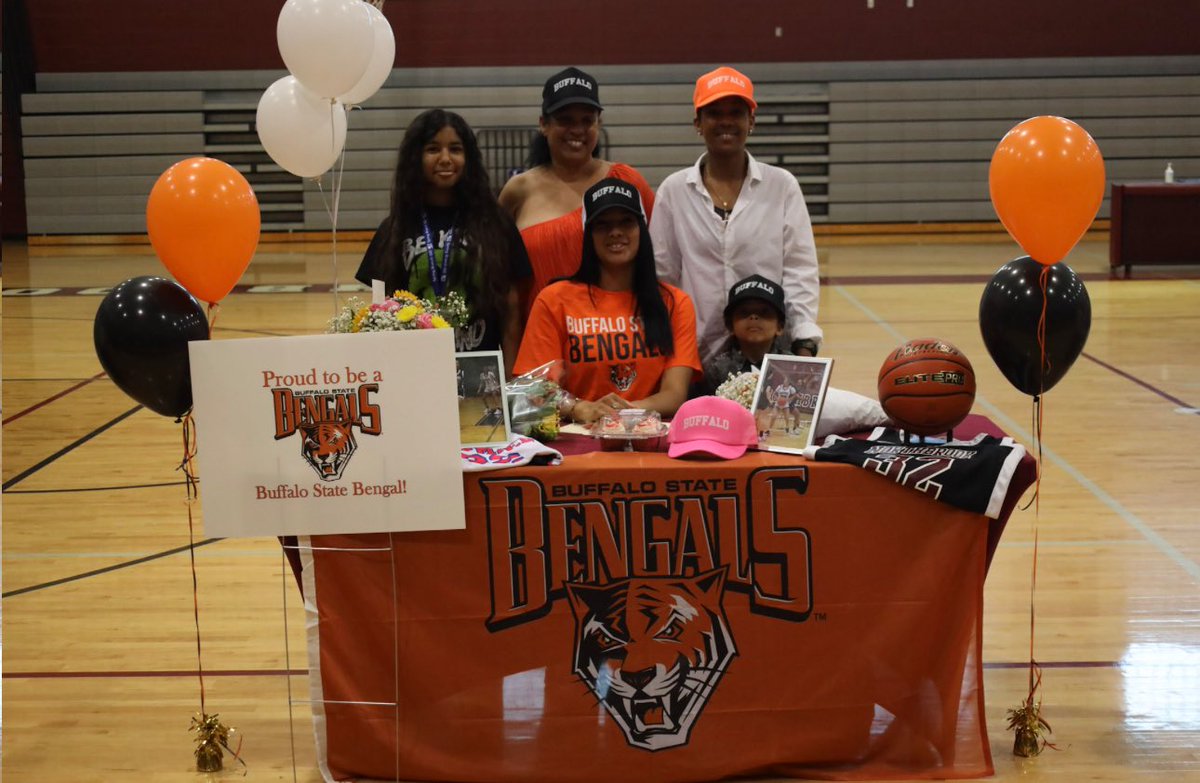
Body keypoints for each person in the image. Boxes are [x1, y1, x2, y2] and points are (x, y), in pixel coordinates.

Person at [650, 66, 823, 365]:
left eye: (736, 112)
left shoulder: (781, 186)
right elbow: (662, 277)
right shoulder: (674, 191)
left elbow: (799, 271)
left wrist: (803, 344)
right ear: (698, 123)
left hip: (770, 353)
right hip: (695, 357)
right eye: (714, 113)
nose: (726, 121)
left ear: (751, 121)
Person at [355, 109, 531, 371]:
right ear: (416, 157)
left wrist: (509, 381)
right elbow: (381, 312)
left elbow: (512, 308)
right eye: (433, 149)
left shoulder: (495, 223)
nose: (446, 159)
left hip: (483, 374)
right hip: (416, 371)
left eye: (456, 149)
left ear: (468, 157)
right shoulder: (394, 228)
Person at [513, 178, 700, 425]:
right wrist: (579, 408)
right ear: (588, 235)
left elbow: (675, 394)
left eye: (626, 222)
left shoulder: (675, 303)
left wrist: (618, 413)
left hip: (649, 439)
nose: (616, 232)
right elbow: (535, 388)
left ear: (642, 229)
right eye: (602, 225)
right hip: (578, 439)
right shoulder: (554, 300)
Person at [499, 67, 655, 311]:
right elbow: (502, 278)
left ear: (598, 124)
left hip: (616, 337)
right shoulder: (518, 191)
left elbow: (657, 260)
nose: (577, 129)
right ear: (543, 124)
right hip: (540, 338)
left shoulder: (627, 181)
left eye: (587, 120)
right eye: (565, 120)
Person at [700, 274, 794, 395]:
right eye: (744, 312)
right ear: (730, 325)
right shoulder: (717, 370)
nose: (753, 317)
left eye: (764, 312)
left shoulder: (793, 367)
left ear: (780, 326)